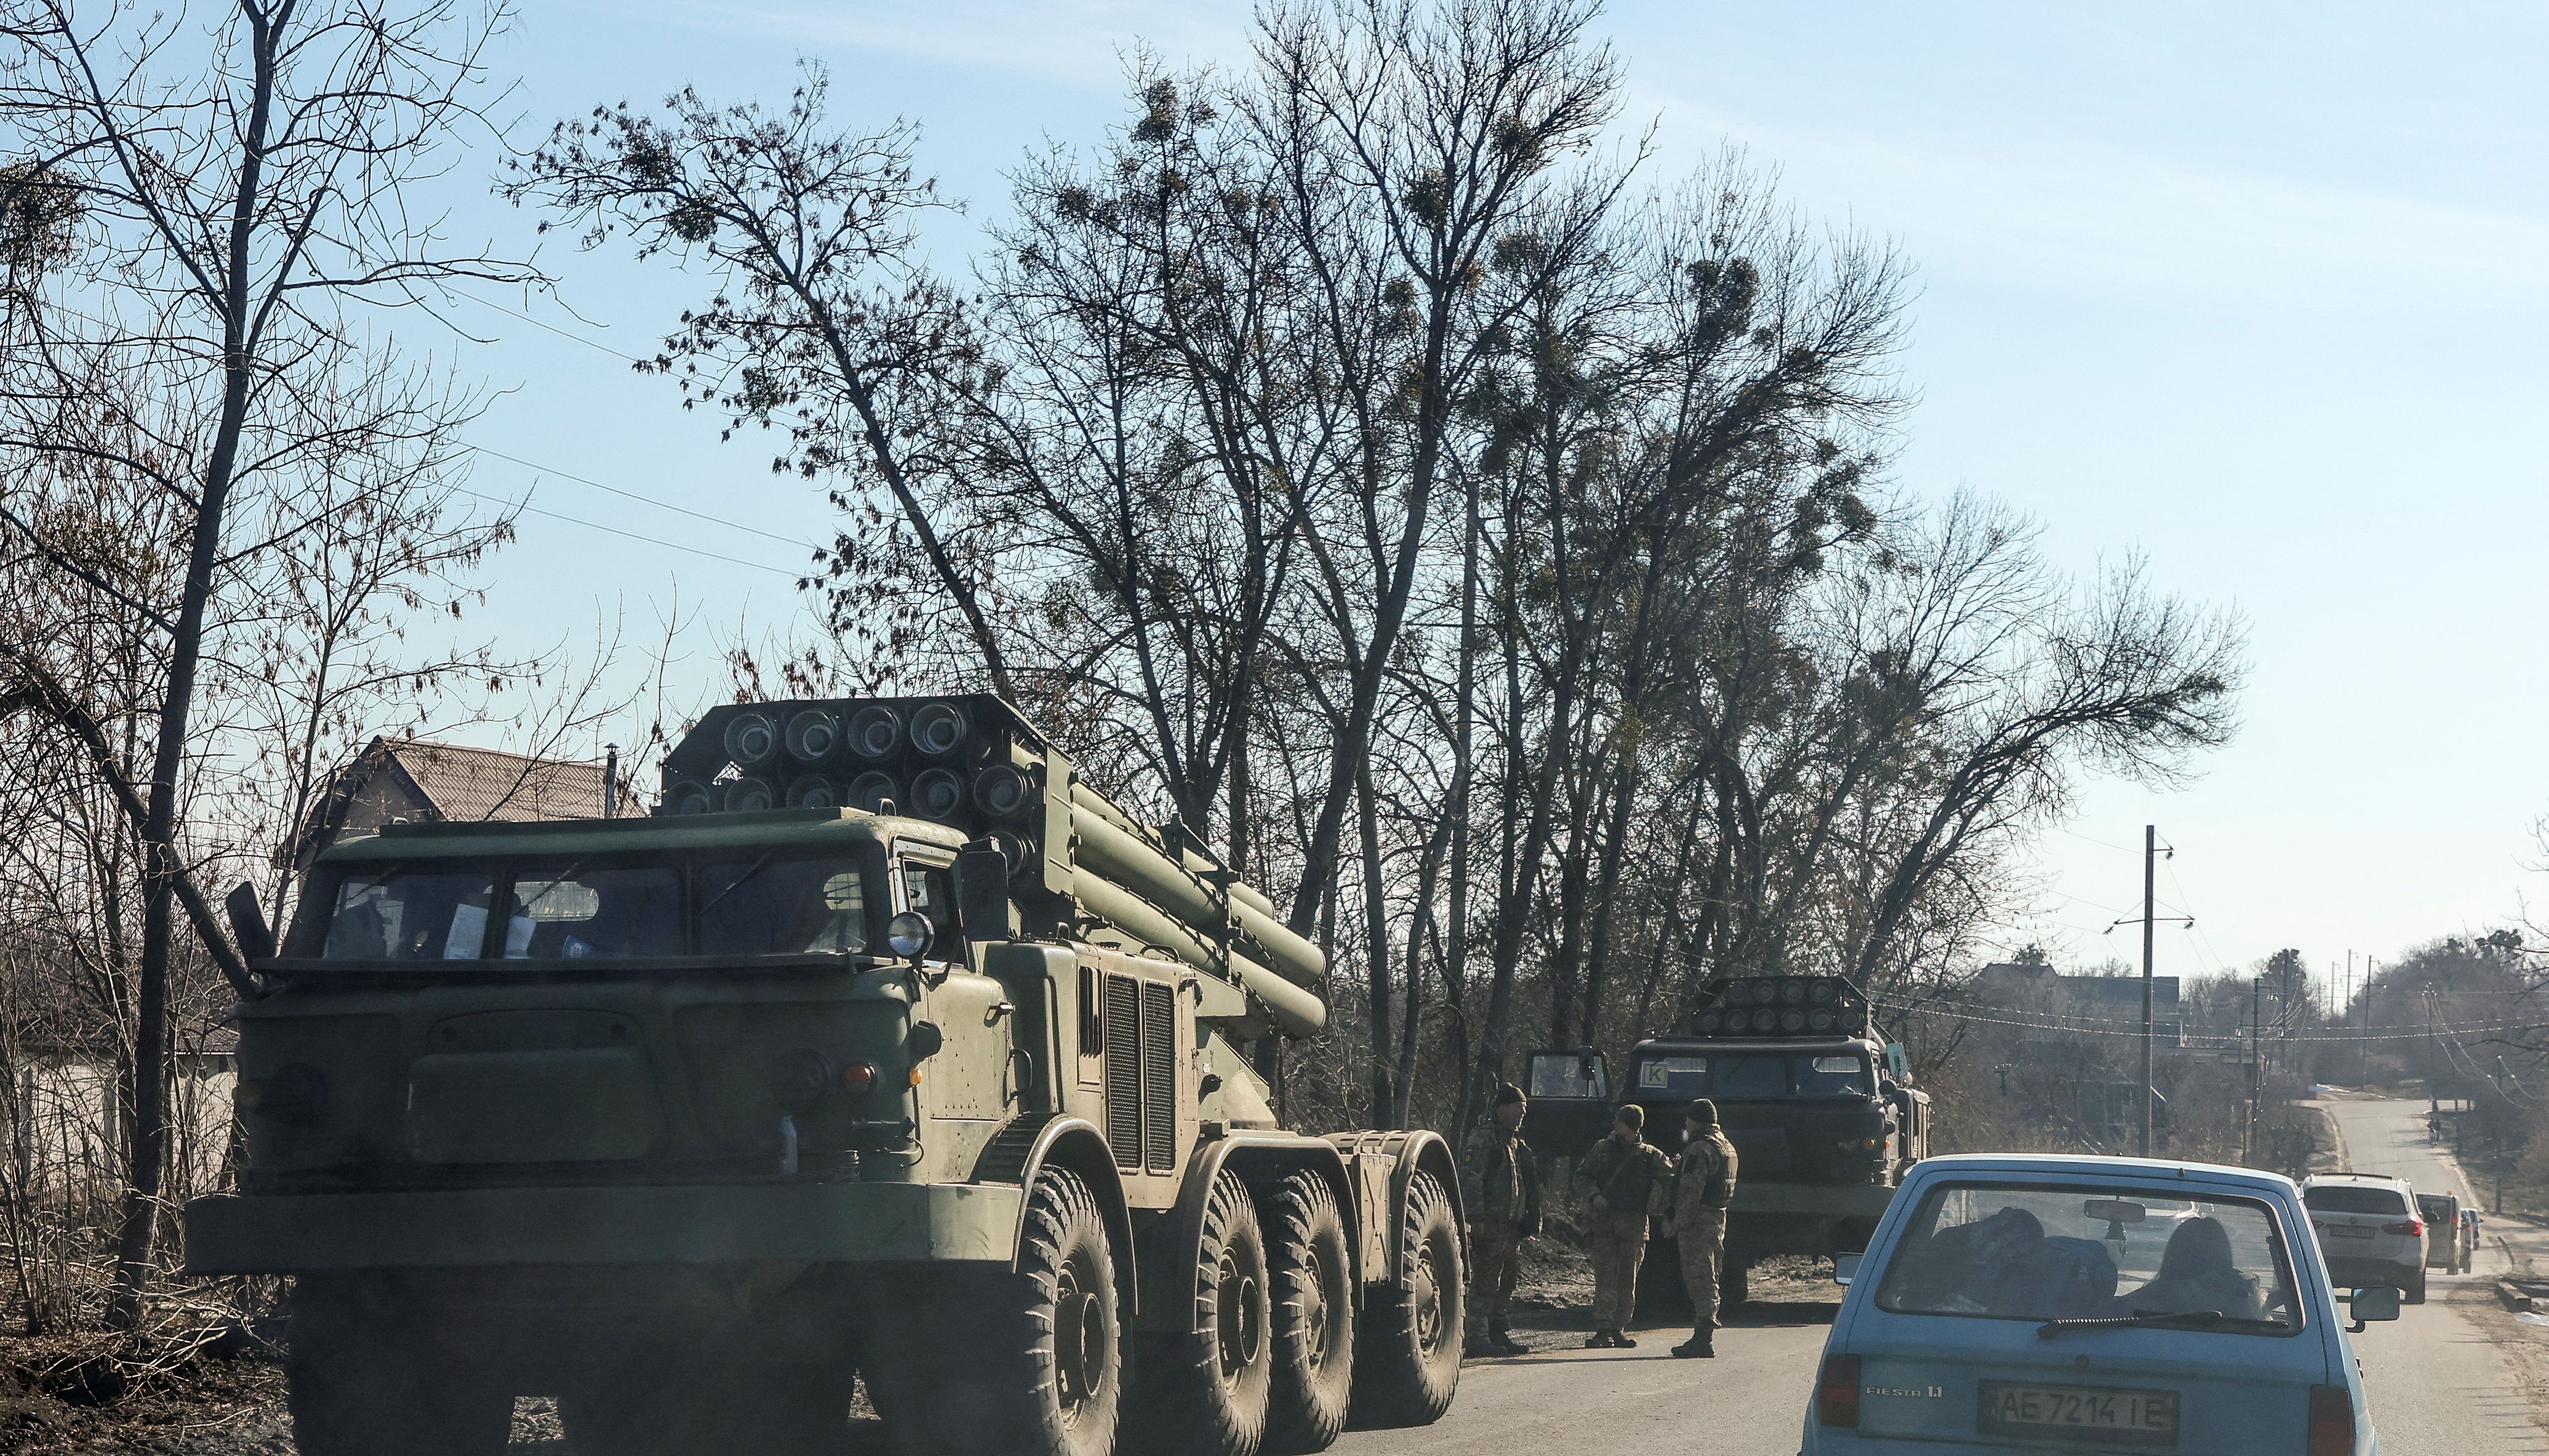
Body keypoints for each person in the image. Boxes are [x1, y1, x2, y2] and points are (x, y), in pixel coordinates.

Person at [1575, 1104, 1673, 1348]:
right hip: (1605, 1222)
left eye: (1618, 1120)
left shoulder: (1651, 1155)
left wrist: (1660, 1203)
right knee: (1605, 1277)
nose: (1614, 1124)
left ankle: (1619, 1328)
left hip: (1635, 1225)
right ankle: (1603, 1328)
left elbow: (1670, 1179)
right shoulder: (1602, 1149)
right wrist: (1595, 1195)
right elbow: (1582, 1176)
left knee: (1627, 1280)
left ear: (1629, 1124)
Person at [1460, 1081, 1543, 1357]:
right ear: (1502, 1109)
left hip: (1511, 1227)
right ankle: (1476, 1336)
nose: (1523, 1113)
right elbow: (1471, 1179)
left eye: (1525, 1108)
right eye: (1518, 1107)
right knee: (1485, 1281)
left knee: (1507, 1281)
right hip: (1491, 1224)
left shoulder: (1515, 1143)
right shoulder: (1483, 1139)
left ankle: (1497, 1332)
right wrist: (1476, 1219)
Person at [1670, 1100, 1739, 1358]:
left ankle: (1702, 1338)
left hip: (1698, 1222)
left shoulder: (1700, 1149)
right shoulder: (1726, 1146)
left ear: (1695, 1120)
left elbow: (1690, 1193)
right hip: (1717, 1218)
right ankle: (1704, 1335)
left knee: (1700, 1278)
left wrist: (1676, 1223)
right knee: (1711, 1275)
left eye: (1688, 1119)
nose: (1686, 1124)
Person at [2126, 1217, 2265, 1322]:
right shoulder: (2244, 1299)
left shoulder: (2147, 1300)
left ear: (2174, 1255)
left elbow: (2116, 1312)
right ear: (2224, 1255)